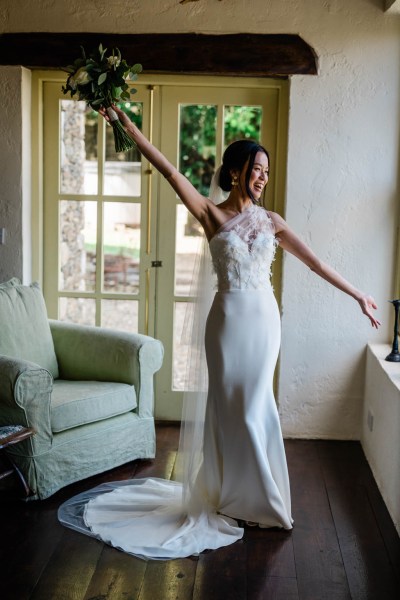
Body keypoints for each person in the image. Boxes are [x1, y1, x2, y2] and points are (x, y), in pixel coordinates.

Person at [58, 105, 380, 560]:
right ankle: (238, 499)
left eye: (267, 171)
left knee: (255, 405)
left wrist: (359, 294)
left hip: (264, 322)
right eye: (256, 168)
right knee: (231, 411)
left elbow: (317, 263)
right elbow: (169, 171)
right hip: (227, 323)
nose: (263, 177)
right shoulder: (211, 213)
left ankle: (259, 501)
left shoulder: (273, 222)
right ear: (235, 171)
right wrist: (127, 125)